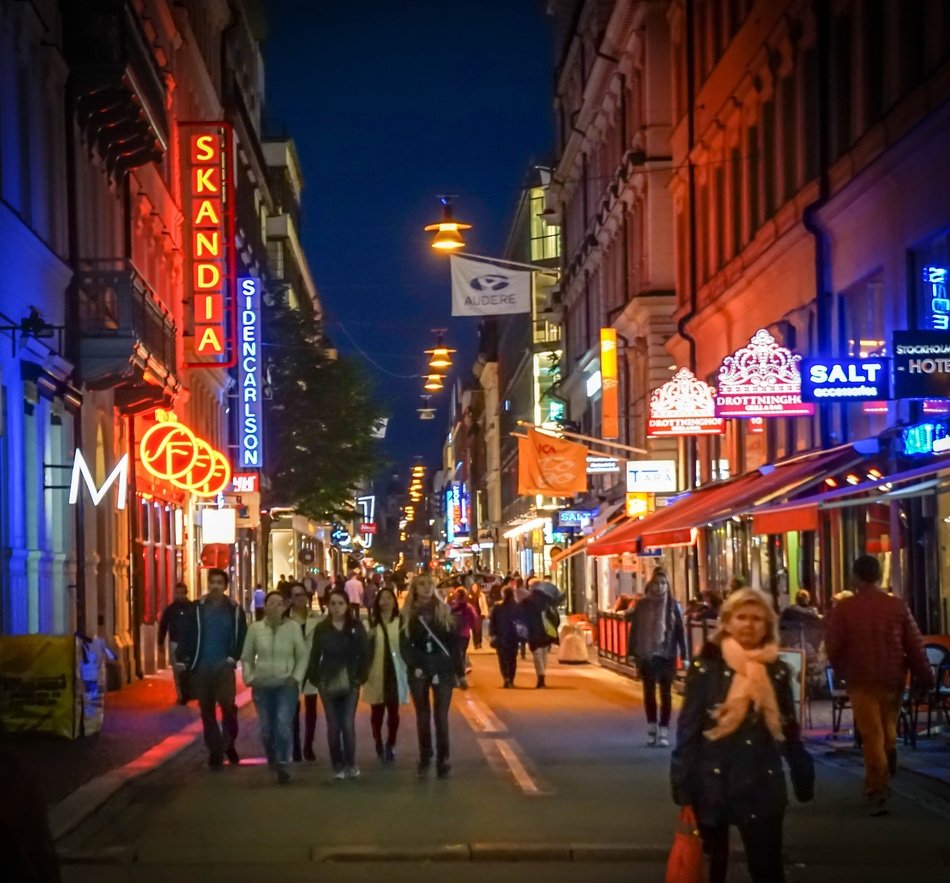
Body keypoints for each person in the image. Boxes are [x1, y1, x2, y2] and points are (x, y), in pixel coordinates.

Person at [671, 589, 814, 883]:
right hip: (713, 780)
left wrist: (801, 769)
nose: (749, 625)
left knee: (767, 868)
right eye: (742, 617)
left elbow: (788, 727)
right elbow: (689, 729)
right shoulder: (706, 668)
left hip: (762, 782)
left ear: (768, 625)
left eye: (757, 619)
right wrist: (682, 784)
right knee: (713, 867)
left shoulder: (776, 671)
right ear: (727, 622)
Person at [826, 555, 933, 815]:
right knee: (887, 726)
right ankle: (889, 752)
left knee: (871, 733)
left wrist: (842, 671)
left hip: (860, 679)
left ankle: (877, 787)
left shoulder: (844, 608)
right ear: (877, 575)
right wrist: (925, 675)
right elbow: (915, 644)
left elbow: (833, 646)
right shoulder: (897, 606)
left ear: (856, 577)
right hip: (892, 677)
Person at [174, 569, 247, 769]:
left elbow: (241, 635)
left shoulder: (234, 609)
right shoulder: (197, 608)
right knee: (207, 712)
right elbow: (187, 634)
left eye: (219, 582)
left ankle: (228, 742)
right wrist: (183, 658)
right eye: (212, 582)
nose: (215, 586)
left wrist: (233, 657)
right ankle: (215, 751)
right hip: (201, 667)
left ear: (225, 586)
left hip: (224, 667)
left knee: (229, 709)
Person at [240, 591, 307, 784]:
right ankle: (272, 757)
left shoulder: (293, 628)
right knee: (267, 728)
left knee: (283, 724)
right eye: (271, 603)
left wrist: (296, 677)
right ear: (265, 606)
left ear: (285, 607)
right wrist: (250, 677)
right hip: (262, 685)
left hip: (286, 684)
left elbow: (302, 655)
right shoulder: (255, 629)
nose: (275, 607)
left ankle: (282, 762)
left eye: (279, 603)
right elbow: (246, 656)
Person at [400, 573, 463, 778]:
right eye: (422, 584)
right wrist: (414, 664)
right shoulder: (407, 613)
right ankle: (425, 756)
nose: (426, 588)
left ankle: (443, 758)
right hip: (419, 669)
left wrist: (459, 672)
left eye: (430, 584)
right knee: (423, 715)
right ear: (415, 588)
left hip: (442, 668)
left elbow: (454, 644)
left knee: (441, 715)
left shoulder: (444, 610)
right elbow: (404, 645)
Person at [307, 588, 367, 779]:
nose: (336, 607)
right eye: (332, 603)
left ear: (347, 605)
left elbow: (365, 653)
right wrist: (315, 678)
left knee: (347, 723)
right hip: (328, 680)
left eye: (340, 603)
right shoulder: (322, 628)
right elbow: (315, 655)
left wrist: (360, 678)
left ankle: (351, 763)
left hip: (350, 680)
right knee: (333, 725)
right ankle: (338, 764)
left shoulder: (356, 626)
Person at [626, 569, 687, 747]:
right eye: (657, 583)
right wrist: (631, 652)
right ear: (651, 584)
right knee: (649, 693)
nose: (660, 587)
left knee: (666, 694)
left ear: (667, 586)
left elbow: (680, 632)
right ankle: (652, 727)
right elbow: (635, 629)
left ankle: (664, 729)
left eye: (663, 584)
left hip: (667, 653)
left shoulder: (673, 606)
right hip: (647, 654)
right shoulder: (642, 605)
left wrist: (684, 654)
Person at [365, 586, 409, 763]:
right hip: (376, 671)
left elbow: (406, 646)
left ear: (394, 601)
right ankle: (378, 742)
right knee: (376, 712)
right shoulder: (371, 623)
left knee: (393, 712)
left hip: (394, 671)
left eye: (389, 598)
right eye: (382, 598)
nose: (385, 601)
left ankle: (391, 743)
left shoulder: (400, 622)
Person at [287, 582, 321, 762]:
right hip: (291, 668)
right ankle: (296, 746)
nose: (300, 598)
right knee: (293, 709)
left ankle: (308, 744)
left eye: (302, 595)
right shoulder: (286, 620)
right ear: (290, 599)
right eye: (296, 595)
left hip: (312, 667)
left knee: (311, 709)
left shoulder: (316, 618)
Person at [521, 581, 561, 689]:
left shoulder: (527, 601)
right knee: (543, 654)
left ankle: (541, 676)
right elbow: (555, 617)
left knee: (537, 655)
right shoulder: (547, 601)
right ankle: (542, 676)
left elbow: (521, 616)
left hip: (533, 631)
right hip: (546, 631)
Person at [158, 582, 193, 704]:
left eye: (182, 593)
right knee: (177, 671)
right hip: (175, 643)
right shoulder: (170, 609)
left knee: (188, 670)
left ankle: (187, 692)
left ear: (186, 593)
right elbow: (163, 625)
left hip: (189, 643)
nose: (179, 596)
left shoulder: (192, 608)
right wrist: (160, 643)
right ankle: (181, 695)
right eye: (177, 593)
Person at [489, 586, 524, 688]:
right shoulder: (517, 607)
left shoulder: (498, 607)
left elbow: (493, 622)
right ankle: (511, 679)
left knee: (502, 659)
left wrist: (493, 634)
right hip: (513, 636)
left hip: (501, 636)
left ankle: (506, 678)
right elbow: (521, 621)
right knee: (512, 659)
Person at [450, 588, 477, 677]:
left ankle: (459, 673)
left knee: (456, 653)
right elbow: (474, 619)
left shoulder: (452, 606)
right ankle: (461, 671)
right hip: (465, 634)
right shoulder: (468, 607)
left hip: (454, 633)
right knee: (461, 652)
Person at [468, 582, 489, 649]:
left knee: (479, 629)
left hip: (479, 614)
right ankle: (475, 643)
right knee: (474, 629)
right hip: (472, 615)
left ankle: (479, 642)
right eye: (473, 587)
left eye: (476, 587)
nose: (474, 588)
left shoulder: (481, 595)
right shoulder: (469, 595)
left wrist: (485, 613)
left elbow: (484, 604)